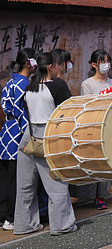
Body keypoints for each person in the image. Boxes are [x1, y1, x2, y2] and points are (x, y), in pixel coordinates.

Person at [14, 52, 76, 235]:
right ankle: (61, 225)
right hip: (48, 136)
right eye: (59, 65)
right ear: (51, 67)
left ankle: (24, 224)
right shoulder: (58, 85)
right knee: (56, 184)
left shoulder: (30, 85)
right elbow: (68, 111)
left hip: (28, 136)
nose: (61, 69)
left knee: (25, 185)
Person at [0, 48, 35, 231]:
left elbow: (6, 106)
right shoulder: (25, 84)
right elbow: (23, 113)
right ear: (29, 63)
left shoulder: (11, 82)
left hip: (6, 131)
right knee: (16, 179)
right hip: (18, 134)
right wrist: (28, 136)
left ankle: (2, 214)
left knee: (5, 177)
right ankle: (11, 218)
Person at [79, 50, 112, 210]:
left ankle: (101, 196)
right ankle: (88, 195)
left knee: (107, 162)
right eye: (102, 62)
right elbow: (86, 106)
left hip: (110, 126)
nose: (106, 65)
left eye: (108, 61)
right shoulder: (87, 84)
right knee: (93, 161)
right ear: (94, 64)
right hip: (93, 126)